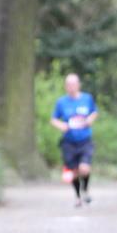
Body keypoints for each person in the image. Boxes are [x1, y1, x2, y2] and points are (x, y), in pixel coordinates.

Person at [50, 73, 98, 207]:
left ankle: (86, 189)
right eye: (68, 85)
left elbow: (94, 112)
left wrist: (89, 120)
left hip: (84, 140)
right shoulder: (61, 102)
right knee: (74, 171)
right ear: (65, 87)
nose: (71, 87)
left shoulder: (87, 99)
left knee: (84, 168)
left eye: (73, 84)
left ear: (78, 85)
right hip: (69, 142)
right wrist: (62, 126)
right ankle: (78, 196)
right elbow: (54, 119)